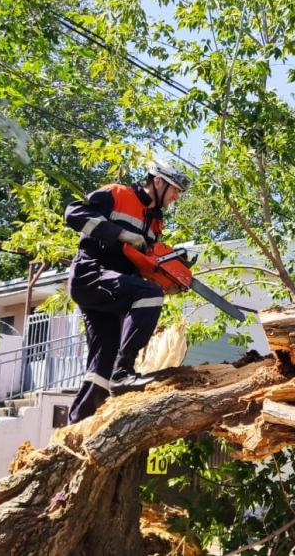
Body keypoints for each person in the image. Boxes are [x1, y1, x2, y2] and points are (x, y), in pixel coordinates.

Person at [63, 160, 190, 423]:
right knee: (150, 294)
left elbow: (145, 262)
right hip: (91, 274)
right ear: (158, 182)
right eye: (175, 190)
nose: (176, 197)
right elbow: (73, 213)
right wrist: (121, 233)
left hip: (116, 289)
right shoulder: (117, 194)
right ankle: (124, 371)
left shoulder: (156, 222)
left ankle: (77, 424)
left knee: (103, 364)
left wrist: (170, 271)